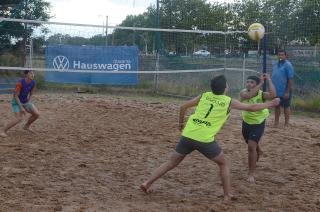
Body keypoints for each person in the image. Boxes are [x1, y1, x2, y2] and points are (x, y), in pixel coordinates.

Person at [140, 75, 279, 201]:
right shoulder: (228, 101)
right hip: (204, 139)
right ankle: (227, 195)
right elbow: (252, 107)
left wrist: (181, 124)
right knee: (223, 163)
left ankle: (147, 183)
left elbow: (183, 107)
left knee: (170, 162)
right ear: (226, 88)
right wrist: (271, 104)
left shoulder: (204, 95)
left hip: (188, 134)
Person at [239, 74, 276, 183]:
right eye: (248, 82)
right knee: (251, 145)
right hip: (246, 122)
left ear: (256, 84)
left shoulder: (261, 94)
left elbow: (273, 95)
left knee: (251, 147)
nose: (249, 84)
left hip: (258, 123)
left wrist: (269, 79)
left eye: (252, 82)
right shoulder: (243, 92)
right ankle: (258, 150)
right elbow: (249, 96)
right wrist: (260, 83)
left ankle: (251, 174)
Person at [0, 70, 40, 137]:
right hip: (16, 102)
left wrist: (29, 101)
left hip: (25, 101)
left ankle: (26, 126)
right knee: (18, 119)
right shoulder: (20, 83)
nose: (32, 75)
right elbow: (16, 96)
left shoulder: (33, 82)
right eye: (30, 73)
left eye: (33, 73)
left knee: (37, 114)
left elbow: (31, 93)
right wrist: (21, 107)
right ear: (26, 75)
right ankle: (2, 131)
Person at [271, 49, 294, 127]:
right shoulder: (275, 64)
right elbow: (274, 76)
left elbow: (290, 79)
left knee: (286, 107)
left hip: (285, 90)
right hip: (276, 90)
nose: (280, 56)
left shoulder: (288, 65)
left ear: (285, 56)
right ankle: (276, 123)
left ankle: (286, 124)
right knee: (277, 106)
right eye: (279, 55)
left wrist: (287, 91)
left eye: (282, 55)